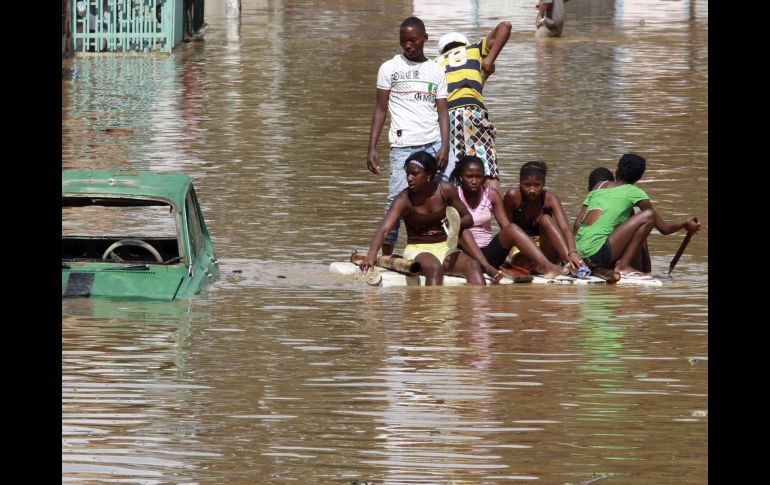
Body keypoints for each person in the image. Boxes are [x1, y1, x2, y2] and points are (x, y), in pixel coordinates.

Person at [367, 16, 452, 257]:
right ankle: (386, 255)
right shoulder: (389, 68)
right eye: (403, 41)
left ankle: (446, 249)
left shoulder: (436, 70)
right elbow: (380, 109)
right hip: (403, 145)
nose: (408, 46)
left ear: (425, 39)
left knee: (446, 193)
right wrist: (372, 147)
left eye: (413, 40)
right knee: (396, 198)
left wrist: (445, 146)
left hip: (433, 143)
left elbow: (443, 111)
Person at [359, 151, 502, 286]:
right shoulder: (403, 199)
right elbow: (384, 230)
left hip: (446, 247)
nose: (409, 178)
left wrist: (454, 222)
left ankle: (476, 309)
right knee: (435, 269)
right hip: (418, 249)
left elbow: (468, 218)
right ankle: (431, 311)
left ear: (429, 175)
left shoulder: (446, 190)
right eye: (408, 174)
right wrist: (371, 256)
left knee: (472, 266)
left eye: (415, 174)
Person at [574, 154, 700, 280]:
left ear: (617, 169)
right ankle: (623, 266)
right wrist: (685, 224)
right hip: (596, 255)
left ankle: (595, 265)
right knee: (649, 215)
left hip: (577, 255)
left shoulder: (598, 186)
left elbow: (576, 225)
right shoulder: (636, 192)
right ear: (639, 177)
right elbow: (664, 229)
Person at [450, 156, 569, 279]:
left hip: (489, 253)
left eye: (478, 177)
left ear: (484, 177)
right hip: (466, 254)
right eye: (469, 177)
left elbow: (506, 227)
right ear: (460, 176)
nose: (474, 181)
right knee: (464, 231)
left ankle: (550, 266)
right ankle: (548, 267)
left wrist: (519, 245)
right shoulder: (453, 195)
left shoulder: (492, 195)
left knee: (511, 228)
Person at [434, 21, 512, 194]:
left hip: (446, 121)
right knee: (487, 170)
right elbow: (505, 26)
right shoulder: (474, 50)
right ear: (464, 44)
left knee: (454, 175)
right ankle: (495, 214)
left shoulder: (434, 64)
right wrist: (488, 60)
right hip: (472, 114)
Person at [503, 161, 584, 273]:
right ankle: (546, 268)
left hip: (546, 250)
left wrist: (572, 252)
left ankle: (569, 263)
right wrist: (509, 254)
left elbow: (565, 228)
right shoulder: (513, 196)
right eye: (527, 185)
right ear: (520, 183)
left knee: (545, 219)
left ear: (543, 184)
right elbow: (506, 228)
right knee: (523, 262)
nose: (532, 190)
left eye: (537, 185)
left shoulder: (550, 199)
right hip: (522, 249)